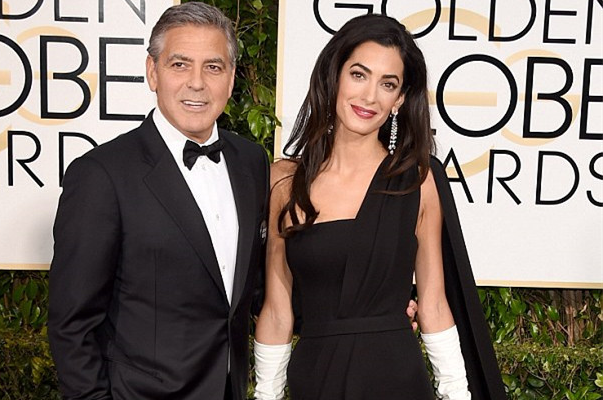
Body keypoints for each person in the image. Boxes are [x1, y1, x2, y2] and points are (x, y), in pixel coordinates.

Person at [253, 14, 506, 400]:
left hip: (397, 378)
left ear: (399, 99)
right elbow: (276, 311)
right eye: (359, 75)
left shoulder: (418, 180)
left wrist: (457, 393)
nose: (370, 96)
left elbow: (434, 304)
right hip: (316, 379)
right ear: (335, 75)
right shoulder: (284, 182)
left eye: (388, 84)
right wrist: (265, 395)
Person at [48, 3, 270, 399]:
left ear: (231, 78)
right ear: (152, 72)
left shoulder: (251, 161)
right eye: (179, 65)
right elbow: (72, 325)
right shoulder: (101, 175)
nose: (197, 83)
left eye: (213, 67)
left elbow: (253, 291)